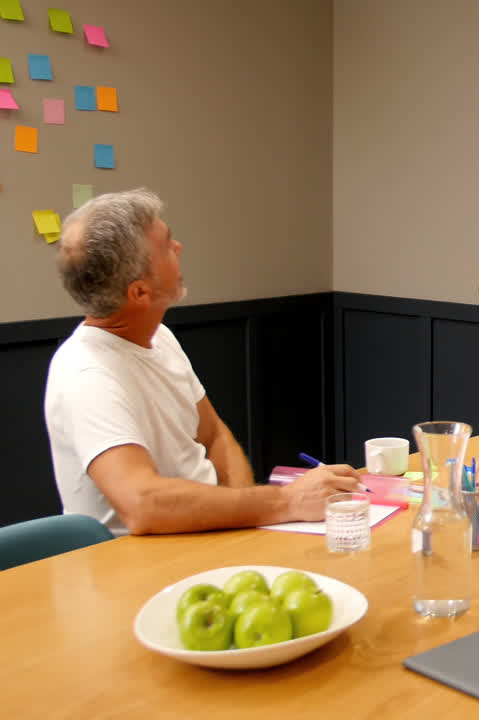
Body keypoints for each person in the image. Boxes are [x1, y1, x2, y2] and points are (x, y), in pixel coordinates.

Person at [44, 189, 359, 536]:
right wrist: (284, 503)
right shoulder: (86, 374)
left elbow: (214, 435)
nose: (178, 248)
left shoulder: (159, 336)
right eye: (166, 245)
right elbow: (143, 503)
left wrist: (247, 513)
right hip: (141, 570)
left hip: (206, 539)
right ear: (140, 293)